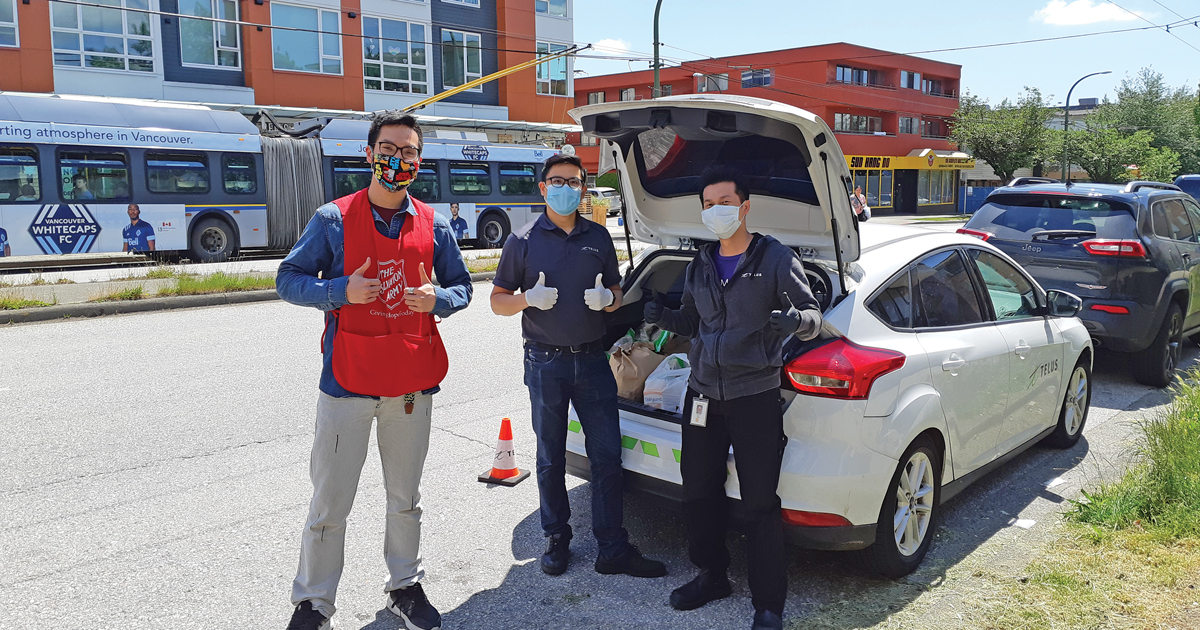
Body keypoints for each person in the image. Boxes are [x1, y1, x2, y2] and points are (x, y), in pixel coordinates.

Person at [276, 111, 473, 630]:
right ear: (369, 155)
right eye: (389, 149)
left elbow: (464, 288)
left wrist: (440, 300)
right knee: (329, 502)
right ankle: (313, 603)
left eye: (409, 151)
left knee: (405, 498)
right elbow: (288, 279)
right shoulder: (333, 220)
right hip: (347, 384)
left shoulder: (435, 224)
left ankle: (404, 587)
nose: (398, 159)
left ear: (419, 160)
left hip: (410, 385)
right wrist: (338, 291)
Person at [644, 166, 822, 630]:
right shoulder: (700, 262)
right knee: (698, 490)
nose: (715, 210)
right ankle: (712, 575)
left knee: (760, 502)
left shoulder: (776, 257)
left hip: (754, 397)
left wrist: (796, 323)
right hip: (702, 395)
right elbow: (692, 322)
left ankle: (768, 604)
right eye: (707, 204)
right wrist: (662, 315)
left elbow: (813, 315)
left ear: (744, 206)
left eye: (724, 202)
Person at [490, 154, 667, 581]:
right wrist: (527, 300)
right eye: (557, 180)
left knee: (607, 454)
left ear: (583, 188)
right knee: (550, 456)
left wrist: (611, 300)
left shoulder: (599, 237)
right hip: (544, 361)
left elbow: (617, 289)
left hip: (591, 359)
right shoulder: (523, 239)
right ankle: (557, 538)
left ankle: (612, 547)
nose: (566, 187)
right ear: (543, 187)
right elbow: (497, 300)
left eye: (574, 181)